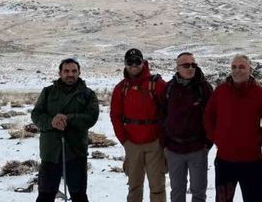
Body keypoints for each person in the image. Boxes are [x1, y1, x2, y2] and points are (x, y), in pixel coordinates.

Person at [204, 54, 262, 202]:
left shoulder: (259, 92)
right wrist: (216, 138)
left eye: (241, 67)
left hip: (251, 161)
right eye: (234, 67)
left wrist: (257, 141)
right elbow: (208, 116)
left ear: (250, 69)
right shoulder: (221, 91)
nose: (237, 70)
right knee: (223, 199)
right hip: (225, 161)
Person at [31, 57, 100, 202]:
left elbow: (91, 117)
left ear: (79, 72)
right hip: (51, 152)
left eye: (74, 71)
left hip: (76, 152)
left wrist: (69, 118)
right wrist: (52, 122)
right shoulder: (48, 92)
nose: (70, 74)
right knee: (45, 195)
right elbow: (36, 115)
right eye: (66, 71)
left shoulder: (88, 94)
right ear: (60, 73)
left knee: (79, 195)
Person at [110, 48, 168, 202]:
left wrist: (163, 139)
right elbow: (115, 116)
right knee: (134, 187)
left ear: (143, 63)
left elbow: (169, 112)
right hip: (132, 144)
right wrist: (124, 141)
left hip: (155, 143)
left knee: (157, 187)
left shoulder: (157, 84)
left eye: (137, 61)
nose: (134, 65)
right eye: (130, 62)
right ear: (125, 64)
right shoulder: (121, 88)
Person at [163, 52, 214, 202]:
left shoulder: (204, 88)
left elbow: (212, 116)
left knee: (198, 192)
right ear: (177, 67)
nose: (190, 68)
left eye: (193, 65)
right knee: (177, 192)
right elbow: (162, 115)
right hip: (174, 149)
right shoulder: (169, 88)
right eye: (186, 65)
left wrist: (207, 143)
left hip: (197, 149)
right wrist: (165, 143)